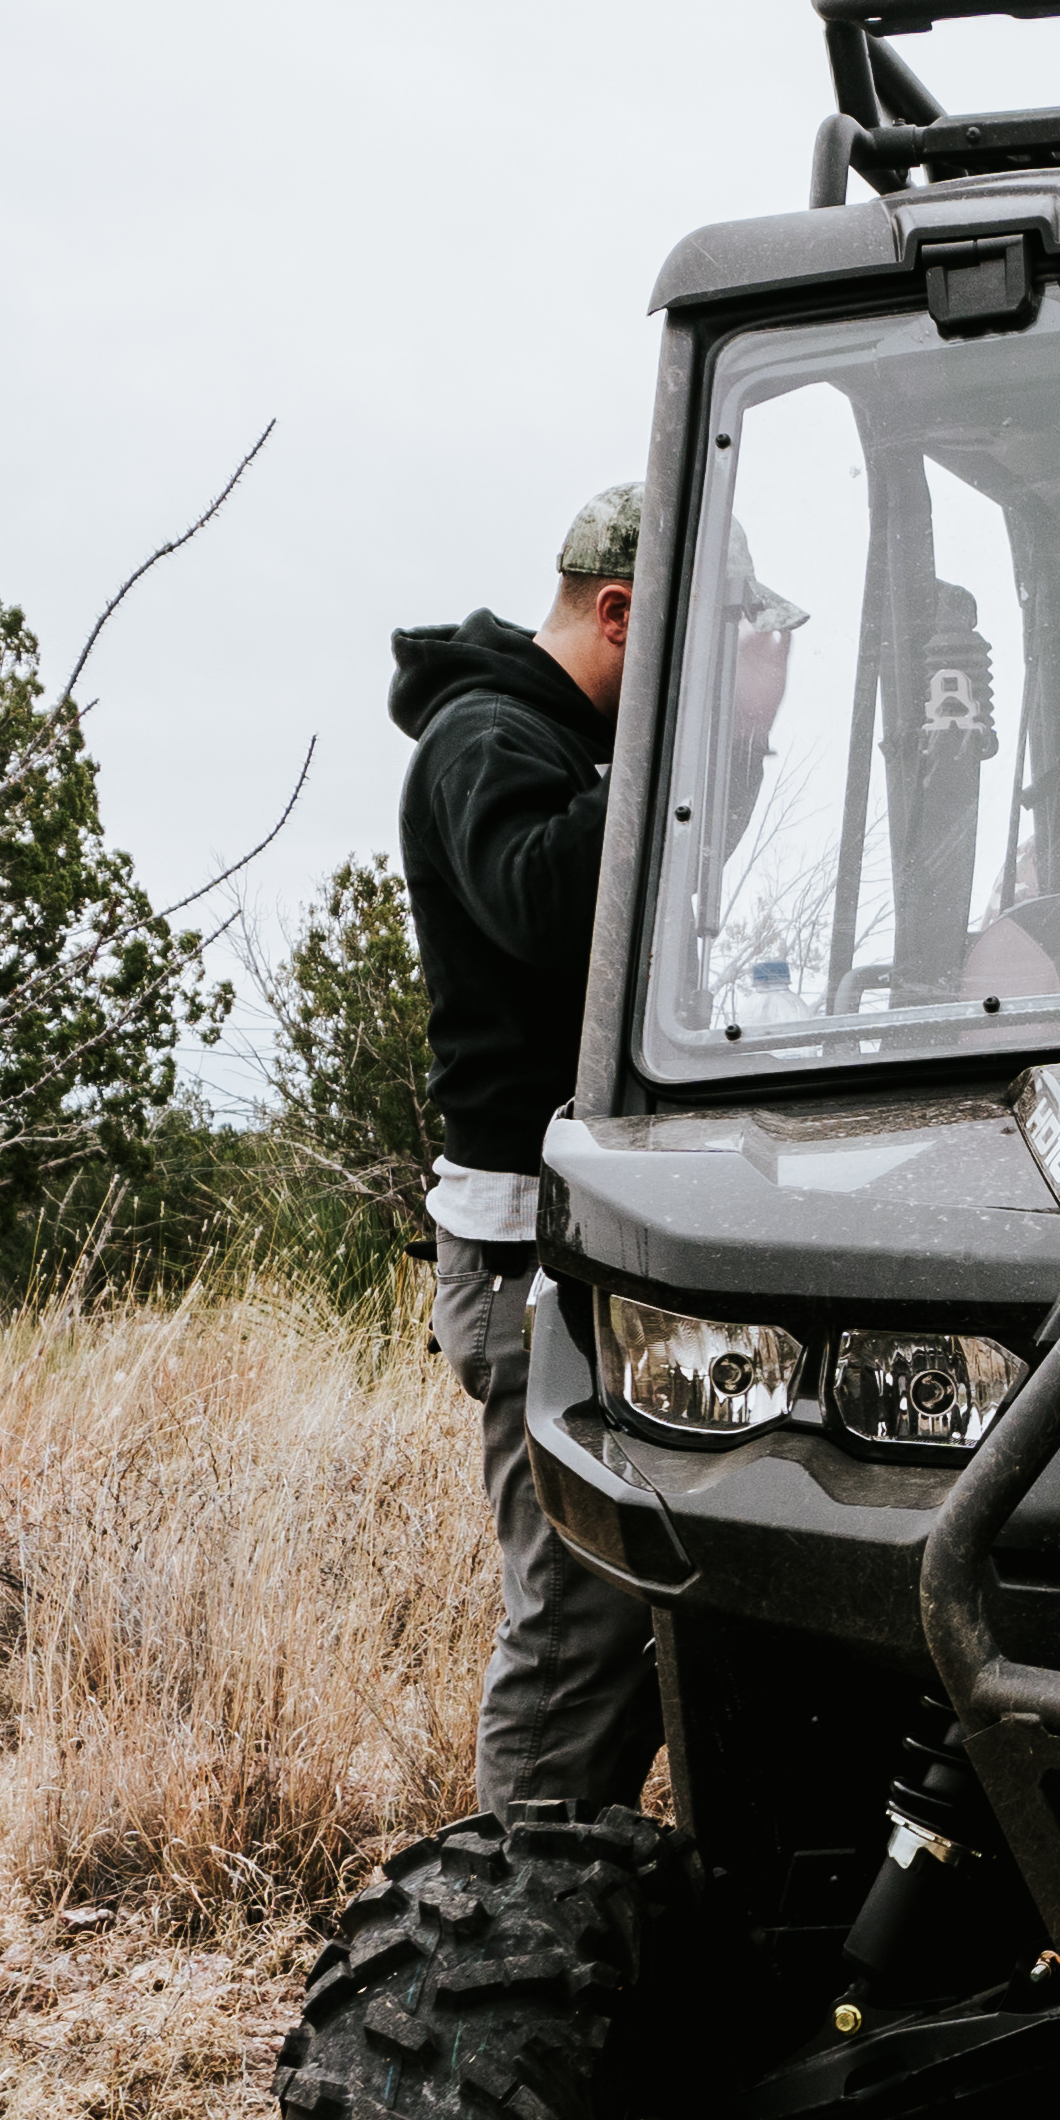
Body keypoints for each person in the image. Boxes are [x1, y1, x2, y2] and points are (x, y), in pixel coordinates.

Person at [390, 483, 686, 1818]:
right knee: (575, 1630)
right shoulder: (485, 736)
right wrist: (680, 758)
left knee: (631, 1619)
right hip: (526, 1261)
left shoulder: (551, 739)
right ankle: (506, 1957)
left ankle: (591, 1919)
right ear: (623, 611)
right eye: (684, 637)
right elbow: (537, 899)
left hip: (576, 1246)